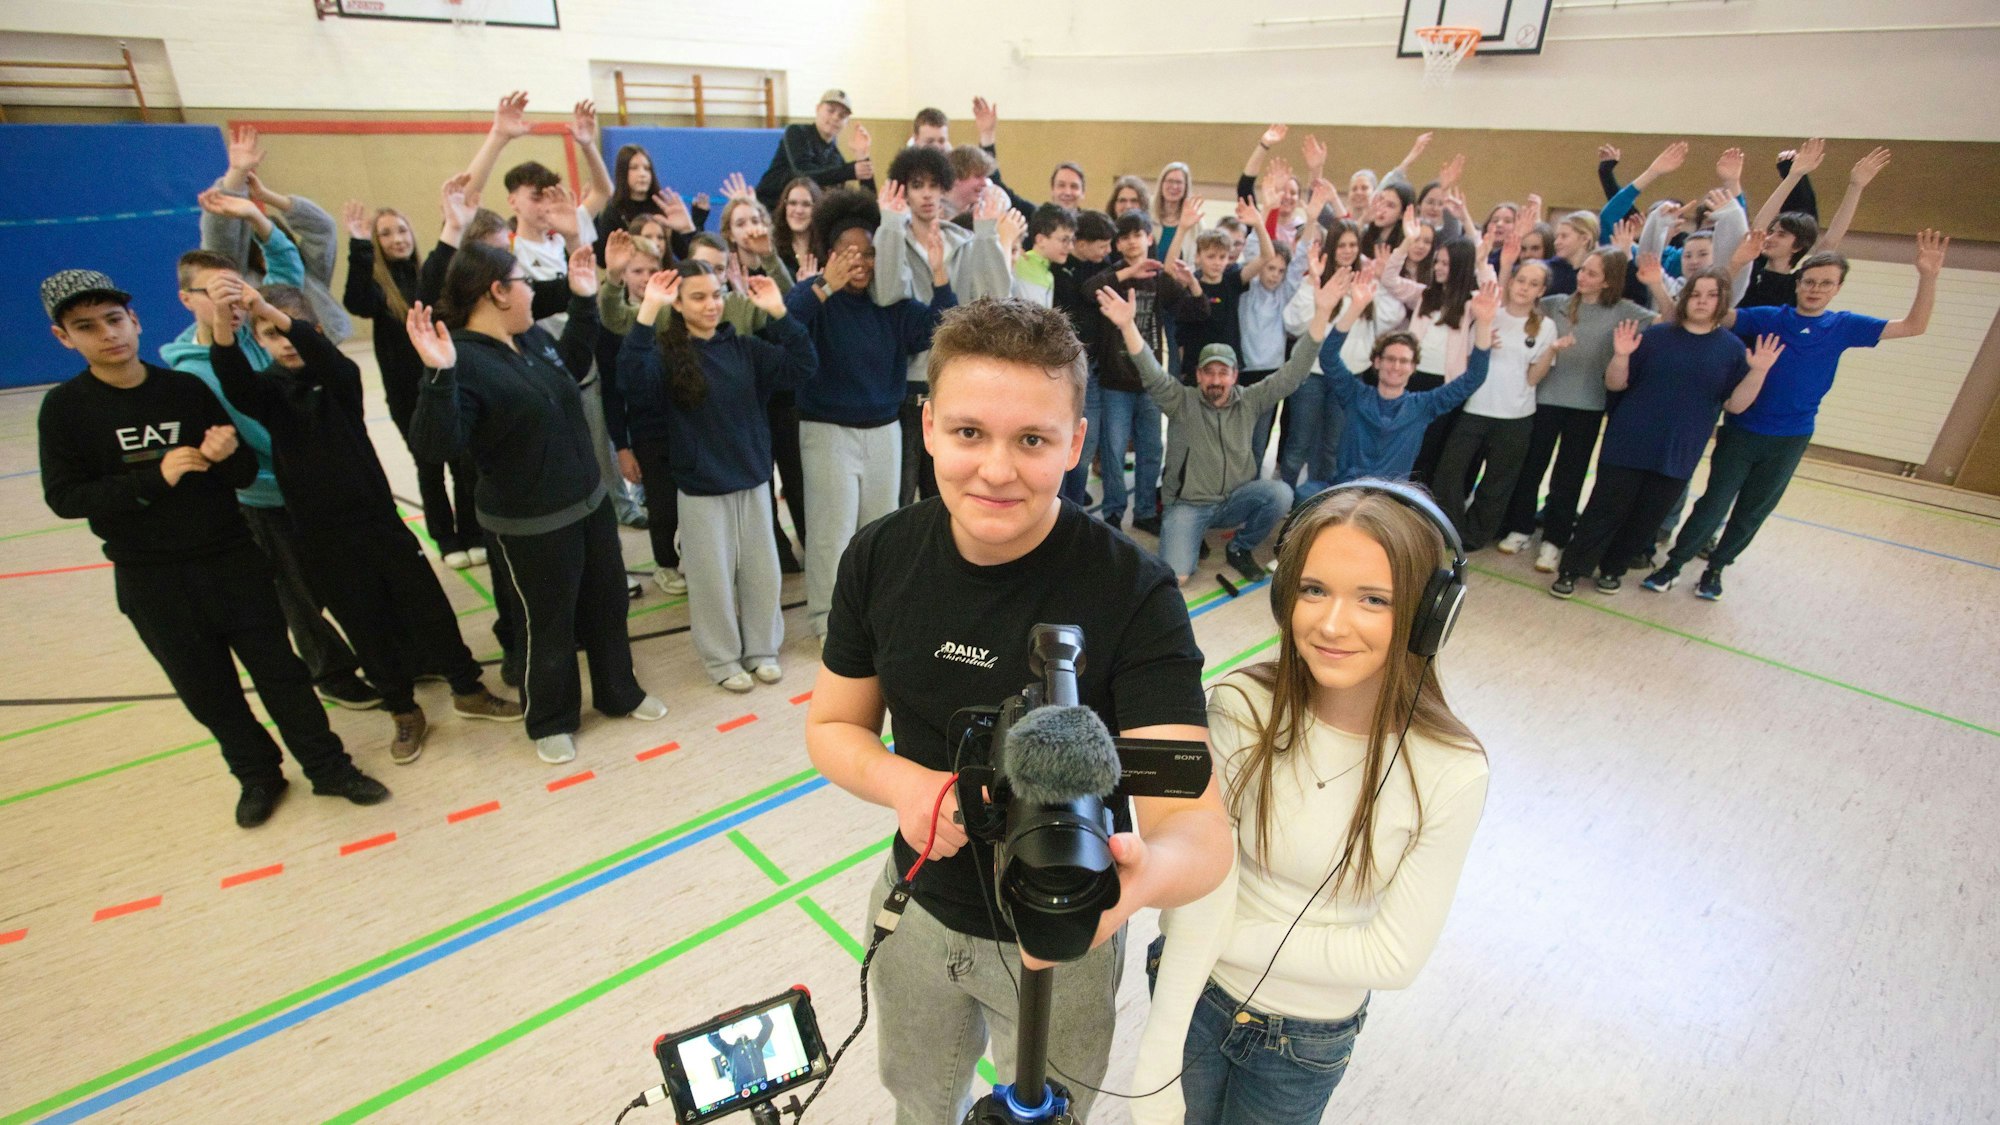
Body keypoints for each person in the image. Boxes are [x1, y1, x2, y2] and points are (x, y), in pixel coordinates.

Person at [805, 297, 1231, 1124]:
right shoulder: (881, 555)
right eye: (969, 433)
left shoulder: (1134, 594)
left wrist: (1138, 883)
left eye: (1032, 440)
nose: (996, 469)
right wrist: (905, 784)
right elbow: (832, 727)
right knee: (920, 1099)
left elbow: (1199, 834)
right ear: (927, 427)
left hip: (1068, 936)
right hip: (919, 910)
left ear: (1075, 443)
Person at [1132, 481, 1489, 1125]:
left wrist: (1216, 929)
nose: (1330, 623)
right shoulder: (1241, 705)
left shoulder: (1451, 770)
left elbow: (1392, 957)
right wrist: (1156, 1065)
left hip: (1305, 1041)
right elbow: (1203, 879)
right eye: (1314, 589)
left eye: (1373, 600)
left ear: (1429, 614)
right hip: (1194, 991)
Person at [36, 269, 389, 827]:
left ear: (135, 320)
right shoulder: (66, 409)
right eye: (86, 326)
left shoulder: (183, 389)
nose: (107, 334)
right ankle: (258, 776)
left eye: (113, 320)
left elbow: (246, 468)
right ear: (64, 337)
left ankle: (330, 768)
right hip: (153, 579)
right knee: (209, 693)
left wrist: (227, 455)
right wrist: (156, 477)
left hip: (231, 561)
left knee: (284, 677)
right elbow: (64, 497)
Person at [207, 282, 522, 762]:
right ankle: (402, 710)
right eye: (271, 333)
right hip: (318, 536)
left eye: (295, 329)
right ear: (259, 340)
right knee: (364, 624)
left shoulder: (340, 375)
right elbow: (232, 381)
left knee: (428, 607)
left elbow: (324, 358)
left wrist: (268, 308)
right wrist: (223, 329)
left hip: (378, 522)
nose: (286, 340)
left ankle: (468, 688)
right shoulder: (268, 391)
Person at [405, 243, 669, 764]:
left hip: (587, 504)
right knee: (546, 625)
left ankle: (620, 693)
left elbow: (567, 368)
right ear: (496, 291)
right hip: (529, 524)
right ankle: (549, 717)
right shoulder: (460, 358)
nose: (531, 289)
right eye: (523, 280)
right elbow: (435, 446)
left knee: (608, 605)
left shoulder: (525, 336)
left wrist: (583, 302)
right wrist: (438, 376)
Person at [1645, 231, 1946, 599]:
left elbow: (1914, 326)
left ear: (1837, 289)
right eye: (1809, 282)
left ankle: (1716, 568)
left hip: (1790, 437)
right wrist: (1736, 262)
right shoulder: (1769, 317)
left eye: (1826, 284)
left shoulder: (1843, 326)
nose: (1816, 289)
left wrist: (1928, 277)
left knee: (1753, 510)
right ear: (1798, 284)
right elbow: (1712, 312)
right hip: (1743, 430)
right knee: (1714, 502)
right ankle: (1674, 565)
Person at [163, 244, 379, 711]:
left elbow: (288, 273)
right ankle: (334, 673)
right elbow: (257, 427)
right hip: (267, 495)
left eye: (236, 290)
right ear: (187, 299)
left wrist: (255, 213)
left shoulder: (261, 331)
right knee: (299, 594)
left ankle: (389, 654)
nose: (232, 303)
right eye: (215, 293)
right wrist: (303, 450)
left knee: (352, 576)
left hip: (319, 488)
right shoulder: (193, 369)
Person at [620, 263, 817, 691]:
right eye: (698, 297)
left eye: (716, 294)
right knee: (712, 582)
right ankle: (722, 658)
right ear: (677, 303)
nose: (711, 304)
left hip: (752, 480)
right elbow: (630, 380)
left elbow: (803, 366)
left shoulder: (745, 349)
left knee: (762, 575)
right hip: (702, 488)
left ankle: (763, 649)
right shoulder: (666, 356)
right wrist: (646, 312)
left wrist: (780, 314)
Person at [782, 189, 956, 640]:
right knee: (830, 533)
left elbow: (940, 326)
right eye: (848, 252)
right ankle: (826, 619)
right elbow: (781, 326)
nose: (860, 262)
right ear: (829, 255)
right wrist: (823, 286)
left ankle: (875, 613)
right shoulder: (814, 297)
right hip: (827, 431)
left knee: (878, 532)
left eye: (869, 252)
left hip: (884, 431)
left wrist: (939, 276)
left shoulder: (890, 305)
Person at [1102, 264, 1346, 585]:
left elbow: (1295, 371)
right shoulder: (1180, 400)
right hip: (1188, 504)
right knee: (1178, 577)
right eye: (1209, 372)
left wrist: (1322, 313)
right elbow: (1149, 369)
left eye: (1223, 373)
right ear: (1199, 375)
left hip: (1234, 501)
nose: (1216, 380)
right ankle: (1191, 534)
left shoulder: (1251, 399)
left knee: (1280, 493)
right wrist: (1127, 326)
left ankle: (1240, 547)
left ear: (1234, 375)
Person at [1552, 269, 1781, 597]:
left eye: (1711, 295)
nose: (1702, 301)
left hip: (1678, 451)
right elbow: (1616, 383)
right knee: (1603, 509)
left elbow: (1735, 406)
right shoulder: (1656, 337)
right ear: (1686, 298)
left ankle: (1613, 569)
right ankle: (1572, 569)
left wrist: (1758, 373)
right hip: (1628, 443)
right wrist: (1621, 356)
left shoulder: (1731, 350)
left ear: (1722, 302)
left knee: (1646, 518)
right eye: (1697, 294)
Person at [342, 200, 485, 570]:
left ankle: (471, 532)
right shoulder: (378, 288)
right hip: (407, 394)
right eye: (385, 233)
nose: (397, 239)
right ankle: (445, 536)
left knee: (462, 462)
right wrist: (359, 245)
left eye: (402, 230)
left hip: (442, 382)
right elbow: (355, 301)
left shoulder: (428, 277)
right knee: (429, 465)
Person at [1497, 248, 1655, 573]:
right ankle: (1521, 528)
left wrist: (1657, 284)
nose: (1582, 277)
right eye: (1582, 270)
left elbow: (1667, 319)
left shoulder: (1623, 311)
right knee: (1531, 468)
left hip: (1587, 407)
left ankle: (1554, 540)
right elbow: (1513, 301)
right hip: (1544, 401)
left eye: (1592, 273)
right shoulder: (1556, 304)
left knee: (1568, 477)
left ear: (1609, 280)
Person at [872, 150, 1012, 505]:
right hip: (904, 384)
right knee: (900, 498)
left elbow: (994, 297)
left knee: (948, 494)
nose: (927, 194)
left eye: (934, 185)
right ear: (903, 191)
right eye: (917, 186)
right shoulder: (892, 237)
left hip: (953, 380)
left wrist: (985, 234)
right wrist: (889, 225)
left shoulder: (963, 241)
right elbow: (888, 293)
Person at [1299, 277, 1498, 492]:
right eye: (1390, 359)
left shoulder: (1423, 406)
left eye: (1404, 361)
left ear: (1413, 367)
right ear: (1377, 362)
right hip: (1347, 491)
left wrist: (1484, 324)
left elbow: (1474, 377)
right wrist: (1355, 308)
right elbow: (1328, 357)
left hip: (1390, 499)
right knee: (1303, 493)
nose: (1396, 366)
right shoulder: (1355, 394)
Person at [1082, 211, 1209, 536]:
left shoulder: (1160, 277)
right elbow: (1089, 291)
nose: (1130, 241)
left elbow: (1197, 311)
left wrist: (1192, 281)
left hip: (1151, 382)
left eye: (1137, 234)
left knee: (1152, 449)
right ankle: (1112, 513)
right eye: (1123, 237)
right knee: (1112, 452)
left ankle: (1144, 511)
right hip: (1114, 382)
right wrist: (1128, 273)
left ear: (1149, 238)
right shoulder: (1112, 274)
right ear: (1117, 244)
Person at [1430, 260, 1563, 549]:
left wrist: (1550, 352)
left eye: (1533, 284)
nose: (1525, 288)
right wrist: (1483, 338)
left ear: (1541, 291)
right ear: (1511, 282)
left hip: (1516, 416)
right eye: (1521, 280)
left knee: (1498, 482)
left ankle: (1474, 538)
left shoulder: (1546, 327)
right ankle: (1448, 529)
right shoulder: (1489, 315)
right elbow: (1464, 362)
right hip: (1475, 409)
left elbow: (1532, 379)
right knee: (1449, 473)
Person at [200, 124, 354, 344]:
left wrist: (266, 196)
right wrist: (236, 176)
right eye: (260, 247)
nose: (267, 253)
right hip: (271, 358)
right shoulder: (242, 280)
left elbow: (322, 228)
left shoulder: (307, 272)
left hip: (324, 346)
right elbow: (221, 242)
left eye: (271, 243)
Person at [755, 89, 874, 210]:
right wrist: (849, 171)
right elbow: (803, 174)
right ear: (817, 109)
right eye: (830, 110)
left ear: (847, 123)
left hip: (803, 216)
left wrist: (862, 155)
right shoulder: (797, 133)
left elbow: (870, 199)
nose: (835, 117)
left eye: (842, 115)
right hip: (769, 207)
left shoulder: (836, 159)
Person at [708, 1014, 774, 1086]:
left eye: (741, 1024)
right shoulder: (730, 1051)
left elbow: (768, 1026)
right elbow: (713, 1039)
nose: (739, 1027)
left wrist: (760, 1013)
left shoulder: (756, 1044)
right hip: (743, 1092)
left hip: (763, 1087)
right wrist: (717, 1021)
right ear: (733, 1031)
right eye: (736, 1026)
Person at [775, 177, 822, 277]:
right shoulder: (774, 249)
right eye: (792, 203)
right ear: (785, 207)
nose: (798, 210)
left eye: (806, 204)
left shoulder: (827, 248)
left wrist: (814, 282)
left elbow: (830, 287)